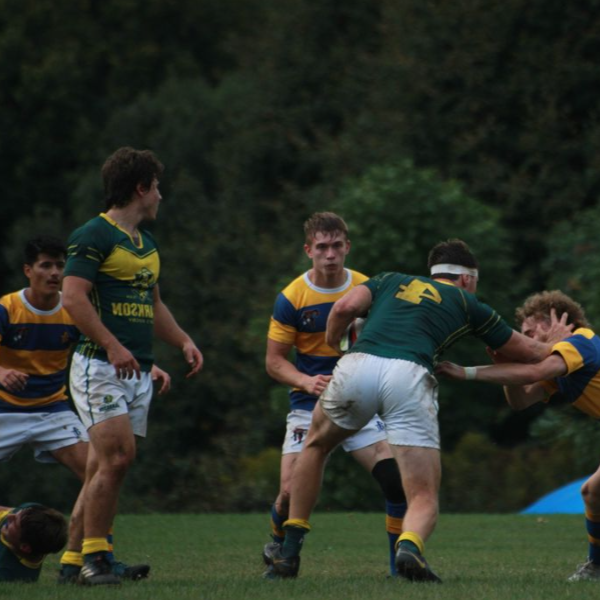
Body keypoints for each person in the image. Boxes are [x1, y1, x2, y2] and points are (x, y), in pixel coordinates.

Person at [266, 239, 571, 582]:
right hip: (409, 376)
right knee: (423, 494)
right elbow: (530, 353)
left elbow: (342, 309)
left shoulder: (390, 279)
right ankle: (409, 547)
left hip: (357, 365)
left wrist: (334, 343)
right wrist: (558, 340)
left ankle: (288, 554)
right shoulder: (468, 303)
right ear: (468, 279)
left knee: (316, 446)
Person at [62, 147, 203, 585]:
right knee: (119, 457)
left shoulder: (147, 244)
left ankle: (73, 561)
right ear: (141, 188)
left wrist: (181, 340)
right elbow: (73, 297)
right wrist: (113, 346)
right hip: (99, 366)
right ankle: (97, 560)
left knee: (102, 465)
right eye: (157, 187)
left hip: (136, 370)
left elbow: (153, 304)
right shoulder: (94, 235)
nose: (161, 196)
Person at [0, 235, 169, 583]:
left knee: (103, 471)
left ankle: (92, 558)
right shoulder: (7, 309)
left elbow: (103, 345)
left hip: (53, 411)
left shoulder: (72, 308)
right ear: (27, 270)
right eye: (45, 265)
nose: (54, 272)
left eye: (60, 265)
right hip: (5, 410)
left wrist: (145, 367)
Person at [263, 212, 406, 578]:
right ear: (308, 250)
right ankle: (279, 538)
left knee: (393, 476)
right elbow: (274, 362)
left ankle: (398, 569)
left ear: (347, 247)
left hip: (357, 400)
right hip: (308, 403)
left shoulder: (366, 289)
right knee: (289, 491)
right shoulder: (292, 297)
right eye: (322, 247)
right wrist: (306, 381)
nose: (330, 255)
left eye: (336, 246)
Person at [436, 290, 600, 582]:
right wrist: (502, 365)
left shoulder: (580, 341)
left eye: (528, 332)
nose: (524, 339)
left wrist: (466, 373)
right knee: (592, 493)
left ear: (555, 319)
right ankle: (596, 567)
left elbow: (534, 370)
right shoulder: (562, 361)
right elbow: (521, 400)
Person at [0, 503, 67, 582]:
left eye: (14, 522)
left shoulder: (7, 574)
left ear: (25, 547)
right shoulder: (30, 510)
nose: (10, 516)